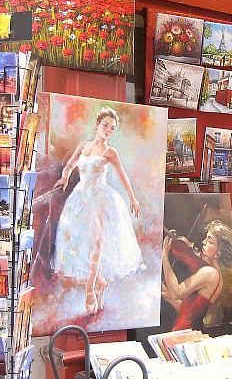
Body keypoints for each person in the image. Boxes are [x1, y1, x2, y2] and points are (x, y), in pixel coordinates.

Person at [52, 106, 144, 315]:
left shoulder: (110, 152)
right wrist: (65, 177)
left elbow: (122, 175)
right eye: (105, 125)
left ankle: (89, 289)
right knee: (82, 245)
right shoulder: (83, 147)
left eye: (112, 128)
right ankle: (100, 283)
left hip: (100, 198)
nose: (108, 130)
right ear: (97, 125)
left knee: (98, 242)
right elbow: (70, 164)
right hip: (80, 199)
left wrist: (133, 198)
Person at [161, 219, 232, 330]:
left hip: (182, 331)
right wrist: (167, 295)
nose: (204, 242)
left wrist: (164, 256)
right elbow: (190, 312)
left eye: (210, 241)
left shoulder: (209, 273)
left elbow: (176, 292)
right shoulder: (217, 276)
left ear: (218, 253)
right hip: (189, 331)